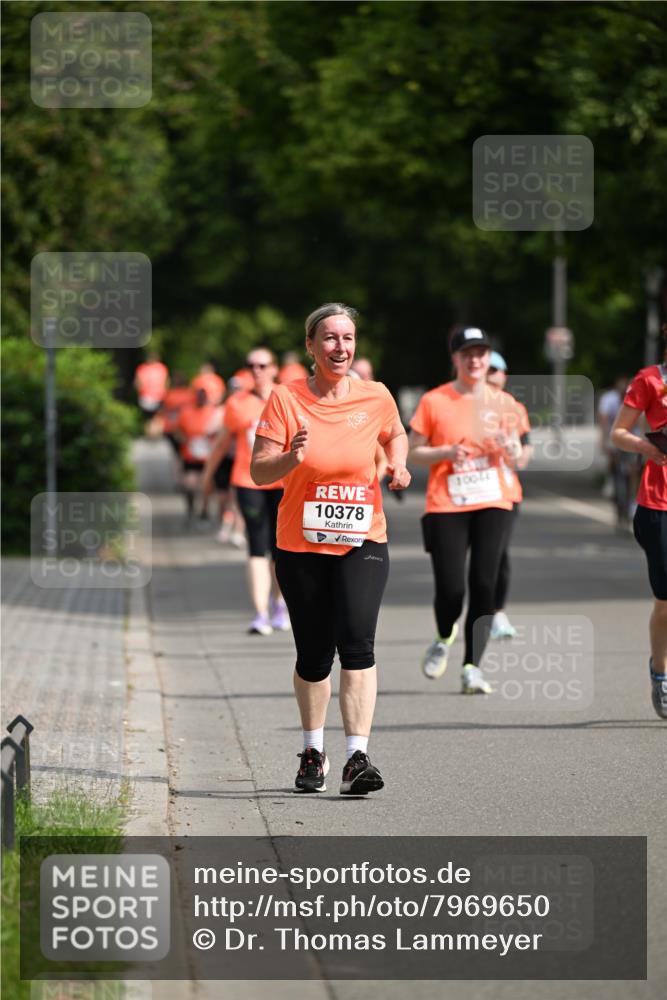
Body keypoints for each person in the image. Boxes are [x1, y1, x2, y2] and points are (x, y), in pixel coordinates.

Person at [250, 303, 410, 794]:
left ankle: (356, 758)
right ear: (311, 347)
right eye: (330, 339)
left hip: (363, 538)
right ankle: (313, 751)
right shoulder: (285, 397)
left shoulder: (376, 394)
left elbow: (395, 433)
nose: (340, 347)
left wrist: (398, 466)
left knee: (358, 644)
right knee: (315, 654)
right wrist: (290, 459)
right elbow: (259, 471)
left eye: (348, 338)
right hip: (300, 543)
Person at [408, 328, 523, 693]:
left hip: (493, 499)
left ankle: (472, 666)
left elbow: (520, 456)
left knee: (485, 585)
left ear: (489, 358)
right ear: (455, 359)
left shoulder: (505, 403)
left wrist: (510, 448)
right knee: (451, 589)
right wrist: (444, 452)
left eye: (481, 353)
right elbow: (412, 452)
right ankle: (444, 634)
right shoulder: (434, 401)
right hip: (447, 502)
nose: (475, 360)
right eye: (467, 354)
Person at [202, 348, 288, 635]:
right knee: (256, 545)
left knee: (281, 550)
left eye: (263, 365)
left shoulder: (289, 398)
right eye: (251, 365)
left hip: (283, 482)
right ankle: (260, 613)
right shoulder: (237, 403)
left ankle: (279, 604)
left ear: (274, 368)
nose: (256, 370)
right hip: (248, 480)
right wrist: (208, 476)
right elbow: (222, 443)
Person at [611, 333, 667, 720]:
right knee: (665, 602)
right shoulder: (650, 380)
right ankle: (661, 674)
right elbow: (618, 432)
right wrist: (649, 448)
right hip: (658, 503)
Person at [486, 351, 533, 639]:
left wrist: (517, 453)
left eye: (497, 370)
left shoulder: (514, 408)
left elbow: (525, 448)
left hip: (504, 492)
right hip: (464, 495)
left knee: (499, 554)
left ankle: (497, 612)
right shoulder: (458, 404)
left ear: (504, 376)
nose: (491, 375)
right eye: (486, 370)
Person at [175, 387, 223, 523]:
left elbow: (221, 430)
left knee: (207, 483)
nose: (201, 399)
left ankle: (204, 509)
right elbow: (177, 431)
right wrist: (184, 439)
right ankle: (190, 507)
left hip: (208, 456)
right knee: (189, 484)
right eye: (199, 397)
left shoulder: (213, 412)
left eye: (204, 397)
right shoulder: (186, 412)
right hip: (190, 455)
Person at [598, 375, 639, 529]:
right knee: (614, 467)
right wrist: (604, 442)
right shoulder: (609, 400)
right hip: (615, 438)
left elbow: (641, 424)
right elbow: (604, 421)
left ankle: (632, 505)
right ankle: (610, 482)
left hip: (632, 440)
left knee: (633, 471)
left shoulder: (636, 401)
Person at [134, 353, 169, 420]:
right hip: (159, 397)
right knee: (157, 418)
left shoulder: (142, 368)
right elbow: (166, 383)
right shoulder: (162, 368)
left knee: (147, 419)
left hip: (145, 398)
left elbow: (137, 384)